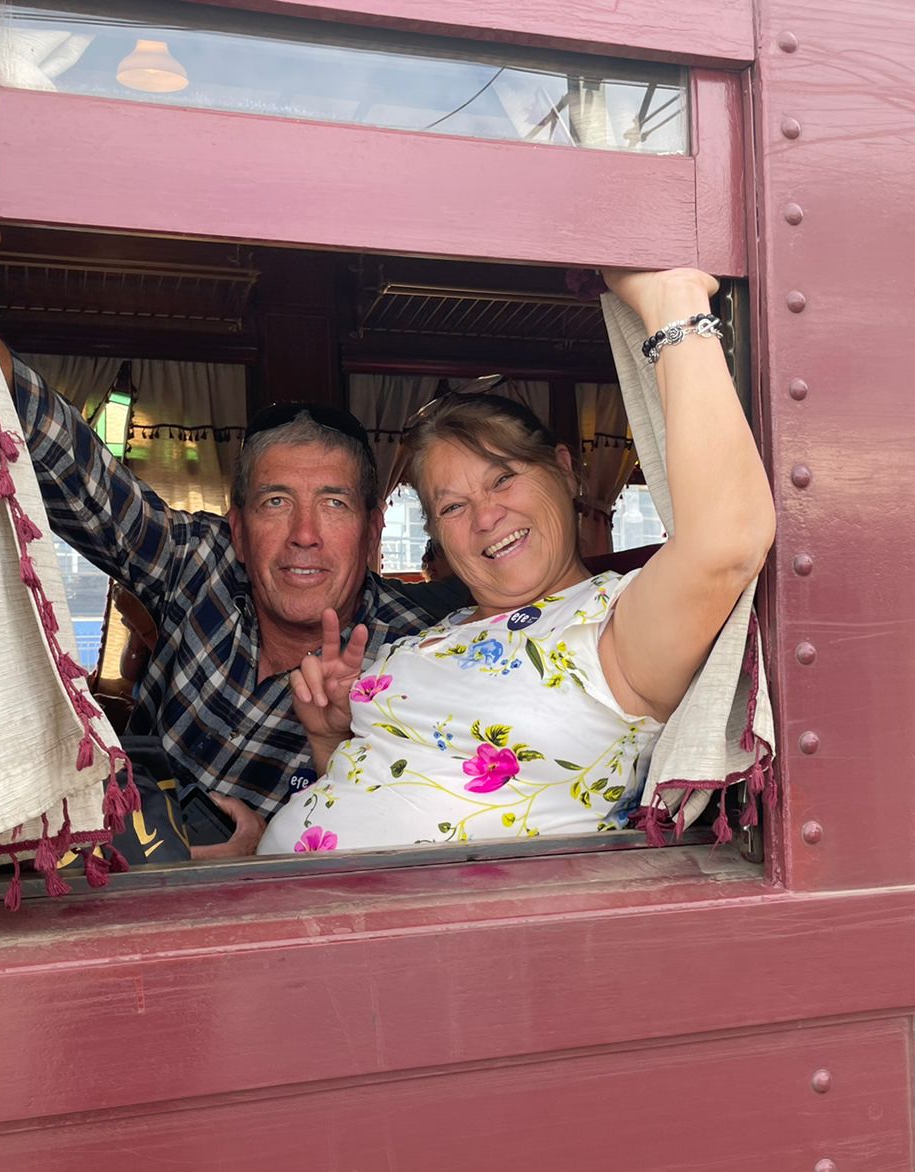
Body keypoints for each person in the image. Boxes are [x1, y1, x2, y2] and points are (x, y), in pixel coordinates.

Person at [0, 221, 467, 857]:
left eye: (333, 504)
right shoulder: (199, 564)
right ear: (239, 531)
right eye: (277, 503)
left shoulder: (423, 650)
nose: (305, 535)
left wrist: (258, 857)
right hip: (130, 862)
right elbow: (62, 456)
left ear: (373, 530)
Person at [257, 267, 775, 854]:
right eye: (452, 506)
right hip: (288, 901)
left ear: (562, 467)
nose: (484, 517)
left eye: (503, 478)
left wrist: (670, 299)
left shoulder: (613, 626)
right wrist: (328, 737)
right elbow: (374, 792)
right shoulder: (431, 637)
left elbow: (729, 542)